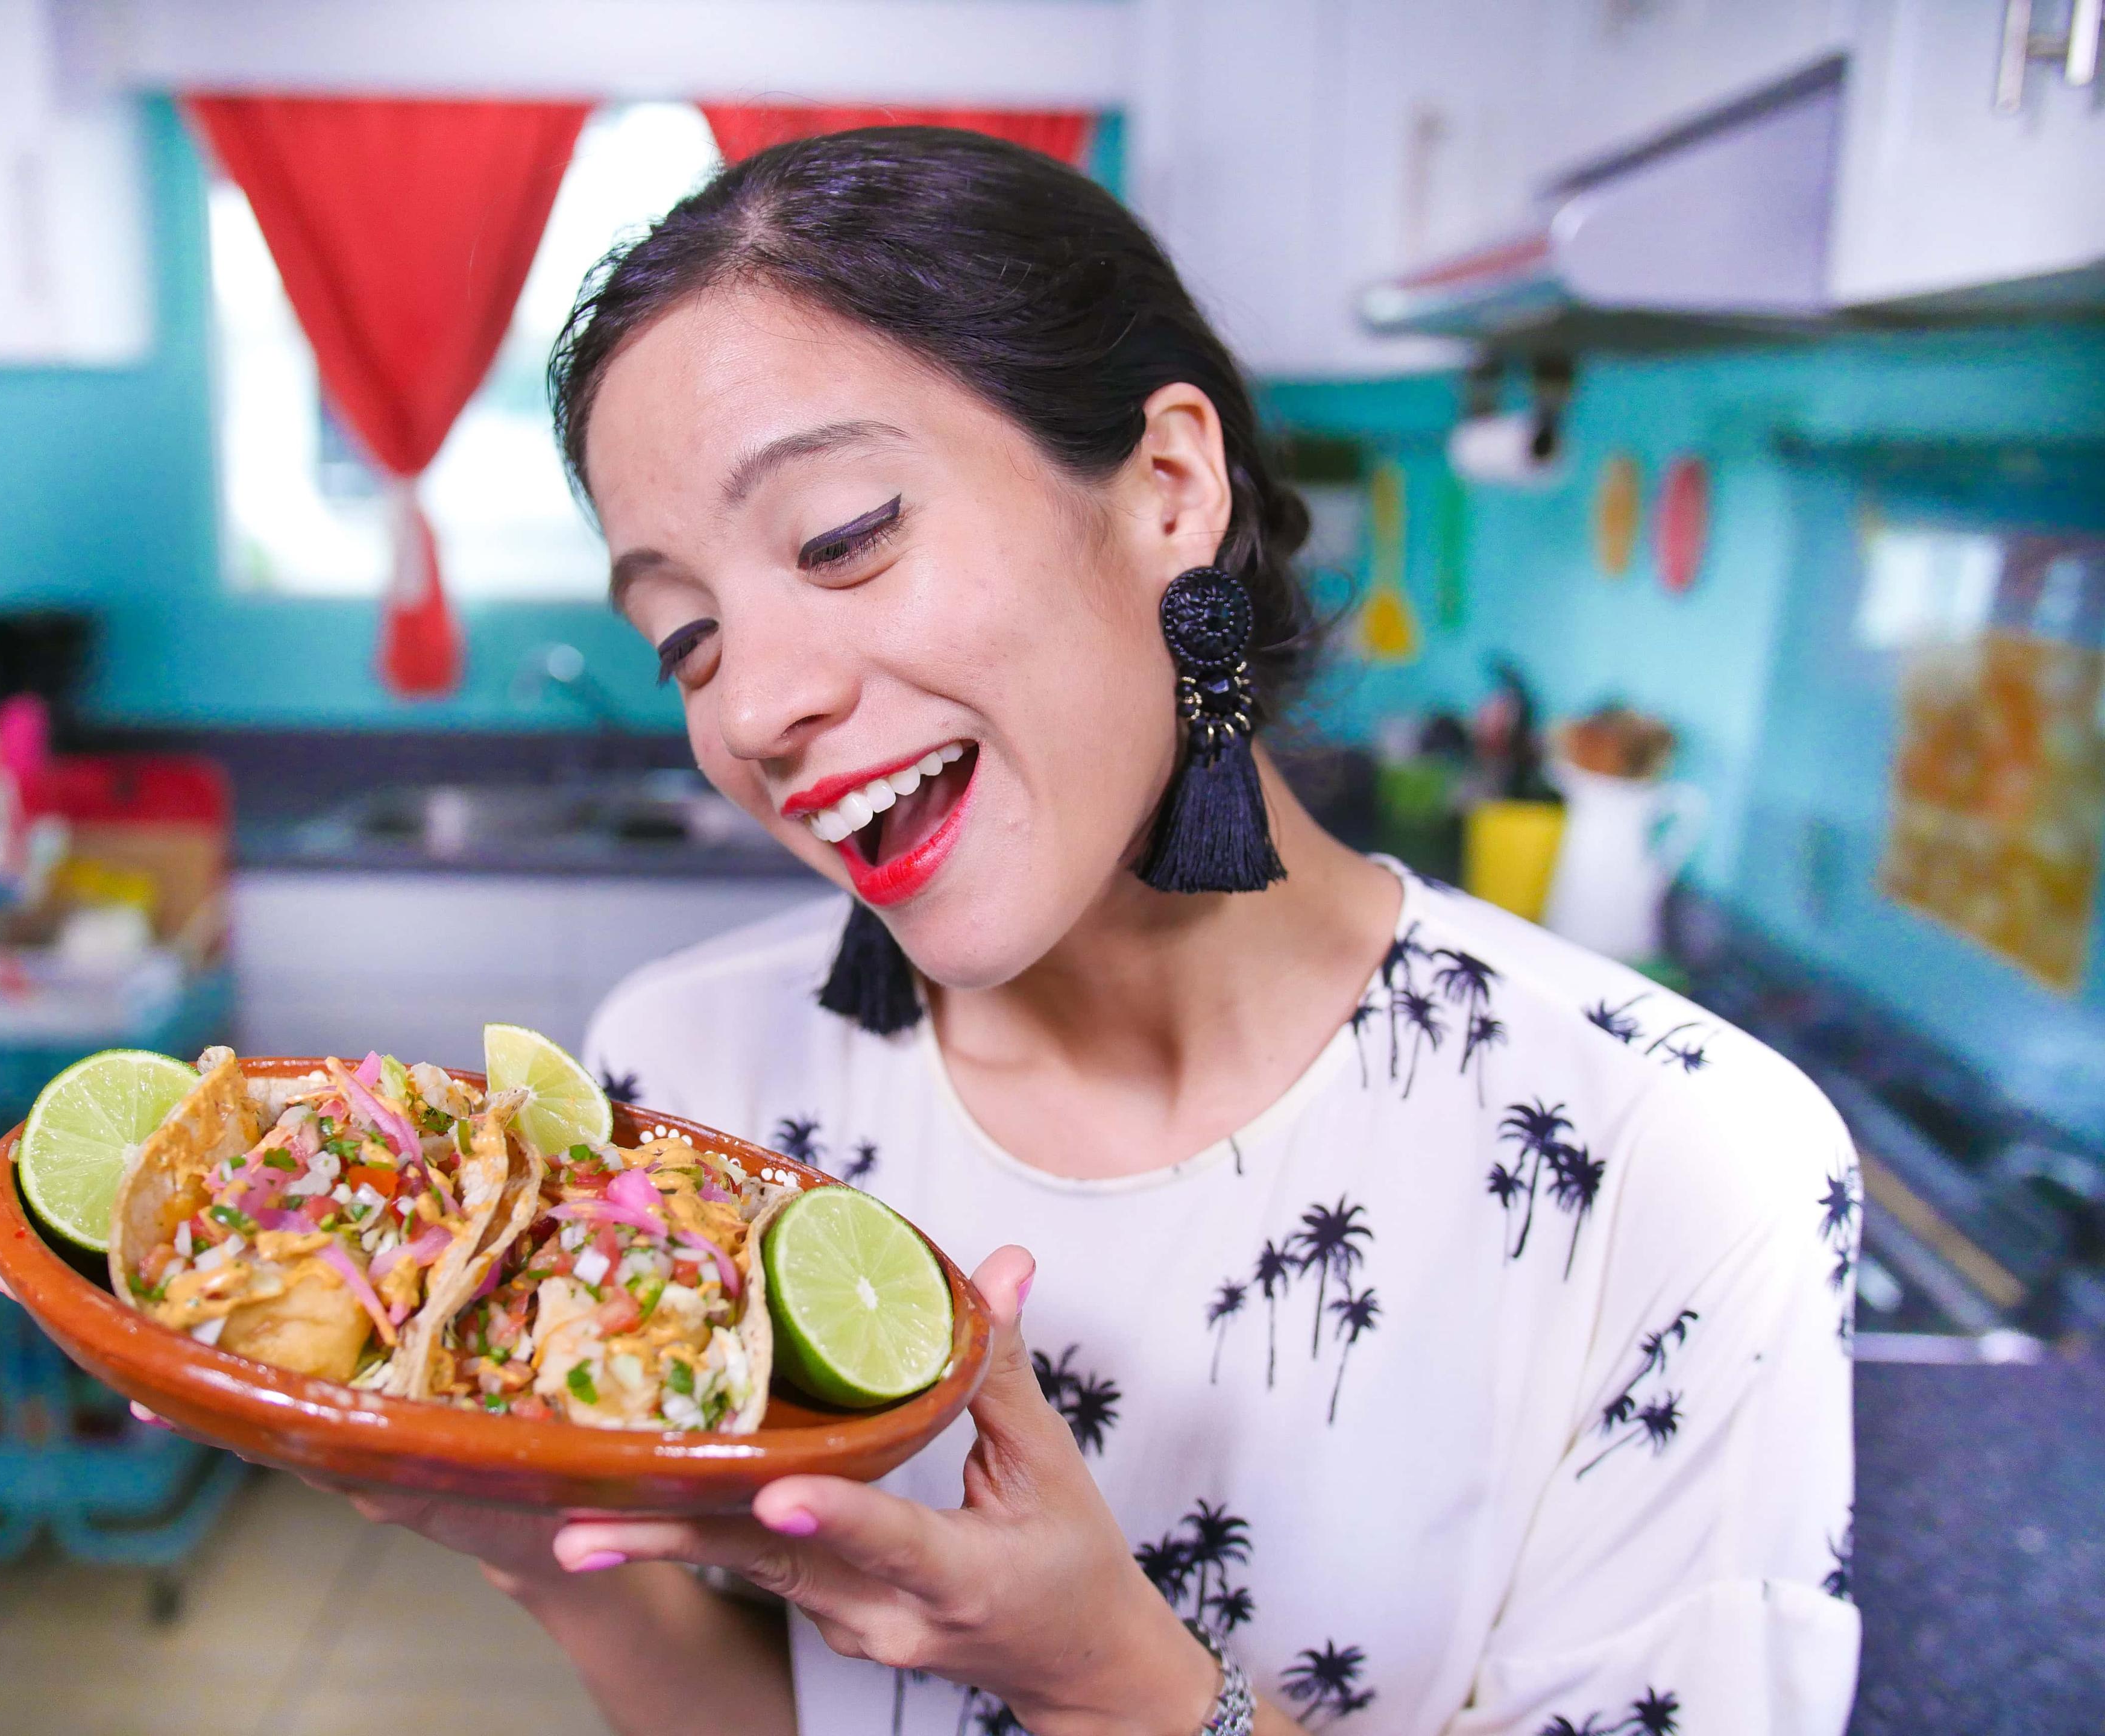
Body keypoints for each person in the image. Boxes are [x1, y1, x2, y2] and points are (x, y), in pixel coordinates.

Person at [359, 128, 1860, 1735]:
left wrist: (1110, 1682)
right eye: (687, 637)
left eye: (847, 535)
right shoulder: (687, 1084)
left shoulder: (1673, 1162)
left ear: (1166, 489)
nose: (757, 708)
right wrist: (562, 1565)